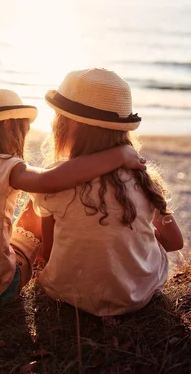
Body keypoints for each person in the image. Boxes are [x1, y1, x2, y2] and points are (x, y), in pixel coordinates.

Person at [0, 86, 146, 306]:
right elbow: (48, 181)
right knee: (32, 216)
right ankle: (40, 262)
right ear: (7, 125)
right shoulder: (3, 165)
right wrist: (118, 155)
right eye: (24, 128)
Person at [33, 68, 183, 316]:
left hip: (68, 293)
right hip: (139, 296)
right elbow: (175, 242)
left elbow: (48, 253)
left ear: (67, 126)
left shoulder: (55, 181)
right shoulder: (143, 179)